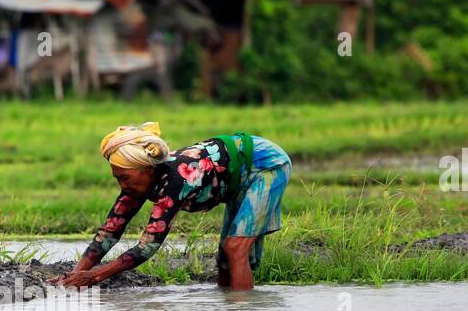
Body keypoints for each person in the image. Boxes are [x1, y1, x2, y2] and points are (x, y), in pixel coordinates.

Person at [52, 122, 291, 291]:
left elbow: (147, 248)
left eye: (124, 177)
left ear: (147, 169)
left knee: (236, 247)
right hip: (236, 177)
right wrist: (74, 276)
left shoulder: (176, 180)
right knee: (225, 261)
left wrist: (94, 276)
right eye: (117, 178)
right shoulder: (136, 186)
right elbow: (109, 233)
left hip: (265, 165)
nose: (121, 184)